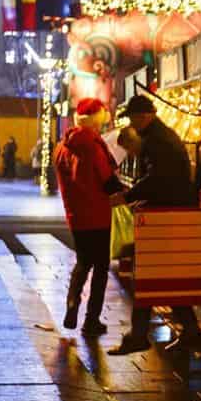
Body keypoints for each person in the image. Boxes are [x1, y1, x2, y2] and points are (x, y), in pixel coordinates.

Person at [111, 92, 198, 355]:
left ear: (145, 116)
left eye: (134, 118)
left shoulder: (157, 141)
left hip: (167, 216)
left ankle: (139, 336)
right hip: (171, 212)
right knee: (161, 275)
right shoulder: (159, 137)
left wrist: (128, 196)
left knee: (148, 275)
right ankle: (191, 331)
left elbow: (159, 178)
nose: (132, 123)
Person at [54, 97, 124, 337]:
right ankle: (91, 319)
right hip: (98, 215)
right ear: (96, 118)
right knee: (101, 268)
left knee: (83, 263)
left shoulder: (62, 147)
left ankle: (72, 303)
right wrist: (123, 191)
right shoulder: (94, 145)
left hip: (76, 216)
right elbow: (106, 180)